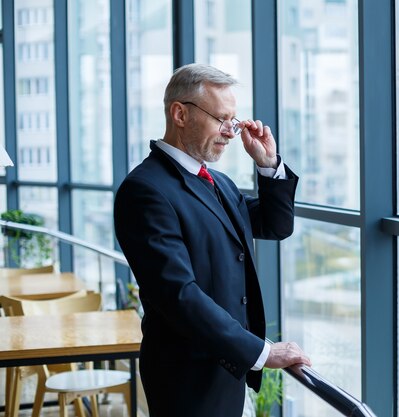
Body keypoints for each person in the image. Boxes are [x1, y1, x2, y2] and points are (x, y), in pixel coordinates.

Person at [114, 63, 311, 417]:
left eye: (233, 120)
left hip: (227, 367)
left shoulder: (219, 182)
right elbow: (178, 295)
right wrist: (263, 353)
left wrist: (268, 165)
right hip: (187, 377)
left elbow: (274, 226)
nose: (231, 132)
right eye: (221, 119)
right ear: (180, 114)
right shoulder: (145, 190)